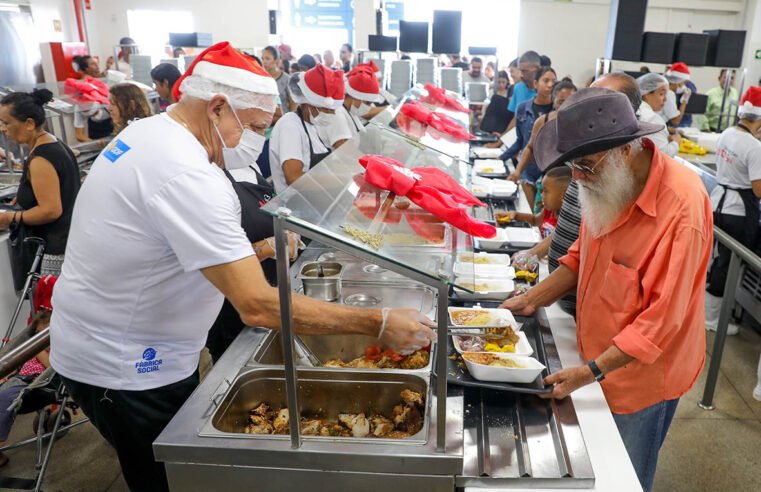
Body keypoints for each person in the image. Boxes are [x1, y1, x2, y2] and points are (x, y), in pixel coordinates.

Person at [48, 42, 435, 492]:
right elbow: (255, 305)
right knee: (164, 481)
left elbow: (171, 252)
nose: (252, 143)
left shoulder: (152, 134)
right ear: (217, 108)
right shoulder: (186, 173)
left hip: (126, 345)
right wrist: (378, 321)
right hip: (125, 365)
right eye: (252, 127)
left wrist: (261, 248)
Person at [502, 87, 712, 492]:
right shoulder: (605, 182)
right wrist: (531, 299)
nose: (576, 177)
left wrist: (589, 372)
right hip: (596, 357)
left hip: (642, 378)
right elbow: (582, 256)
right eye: (572, 165)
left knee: (623, 479)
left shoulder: (682, 209)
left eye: (584, 165)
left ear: (626, 150)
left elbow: (660, 320)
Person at [0, 90, 80, 278]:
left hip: (55, 250)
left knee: (51, 306)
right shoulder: (53, 143)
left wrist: (11, 218)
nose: (3, 129)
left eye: (6, 123)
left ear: (29, 123)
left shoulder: (41, 159)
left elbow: (51, 210)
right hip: (68, 241)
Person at [705, 86, 761, 336]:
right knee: (727, 266)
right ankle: (712, 319)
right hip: (738, 211)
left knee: (716, 261)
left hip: (718, 202)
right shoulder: (754, 146)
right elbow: (758, 190)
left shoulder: (727, 133)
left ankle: (707, 313)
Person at [271, 64, 350, 193]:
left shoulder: (312, 125)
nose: (331, 115)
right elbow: (293, 178)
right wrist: (341, 179)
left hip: (312, 198)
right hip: (293, 204)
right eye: (327, 110)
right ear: (309, 103)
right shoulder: (290, 125)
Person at [509, 76, 575, 213]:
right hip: (546, 178)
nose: (566, 105)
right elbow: (530, 148)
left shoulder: (582, 125)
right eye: (561, 101)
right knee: (540, 217)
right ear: (554, 101)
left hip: (571, 182)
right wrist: (517, 172)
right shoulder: (543, 121)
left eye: (571, 101)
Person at [0, 309, 52, 467]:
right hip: (18, 378)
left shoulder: (50, 352)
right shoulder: (31, 350)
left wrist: (38, 350)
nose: (38, 339)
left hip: (34, 384)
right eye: (36, 334)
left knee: (5, 400)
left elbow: (50, 367)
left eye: (44, 336)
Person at [502, 66, 557, 208]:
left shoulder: (557, 112)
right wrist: (501, 158)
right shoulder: (522, 108)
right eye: (546, 80)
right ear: (535, 84)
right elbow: (521, 142)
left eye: (553, 81)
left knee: (543, 215)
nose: (550, 85)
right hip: (528, 170)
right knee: (528, 210)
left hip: (550, 172)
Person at [497, 165, 571, 239]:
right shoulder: (549, 211)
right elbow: (535, 220)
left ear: (564, 196)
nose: (542, 195)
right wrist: (515, 215)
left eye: (546, 191)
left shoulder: (566, 222)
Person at [637, 73, 680, 156]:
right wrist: (676, 142)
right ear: (647, 94)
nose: (665, 99)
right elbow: (663, 155)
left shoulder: (637, 109)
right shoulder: (653, 118)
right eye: (661, 94)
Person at [340, 61, 384, 137]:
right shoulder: (339, 115)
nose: (368, 107)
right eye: (367, 103)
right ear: (355, 97)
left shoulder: (351, 110)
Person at [663, 62, 695, 128]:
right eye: (684, 83)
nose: (684, 86)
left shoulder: (663, 90)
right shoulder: (669, 94)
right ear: (678, 82)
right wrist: (684, 100)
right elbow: (676, 121)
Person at [262, 45, 291, 114]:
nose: (264, 62)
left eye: (267, 58)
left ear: (276, 60)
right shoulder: (261, 78)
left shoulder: (286, 79)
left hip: (283, 120)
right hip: (266, 120)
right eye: (262, 58)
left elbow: (293, 104)